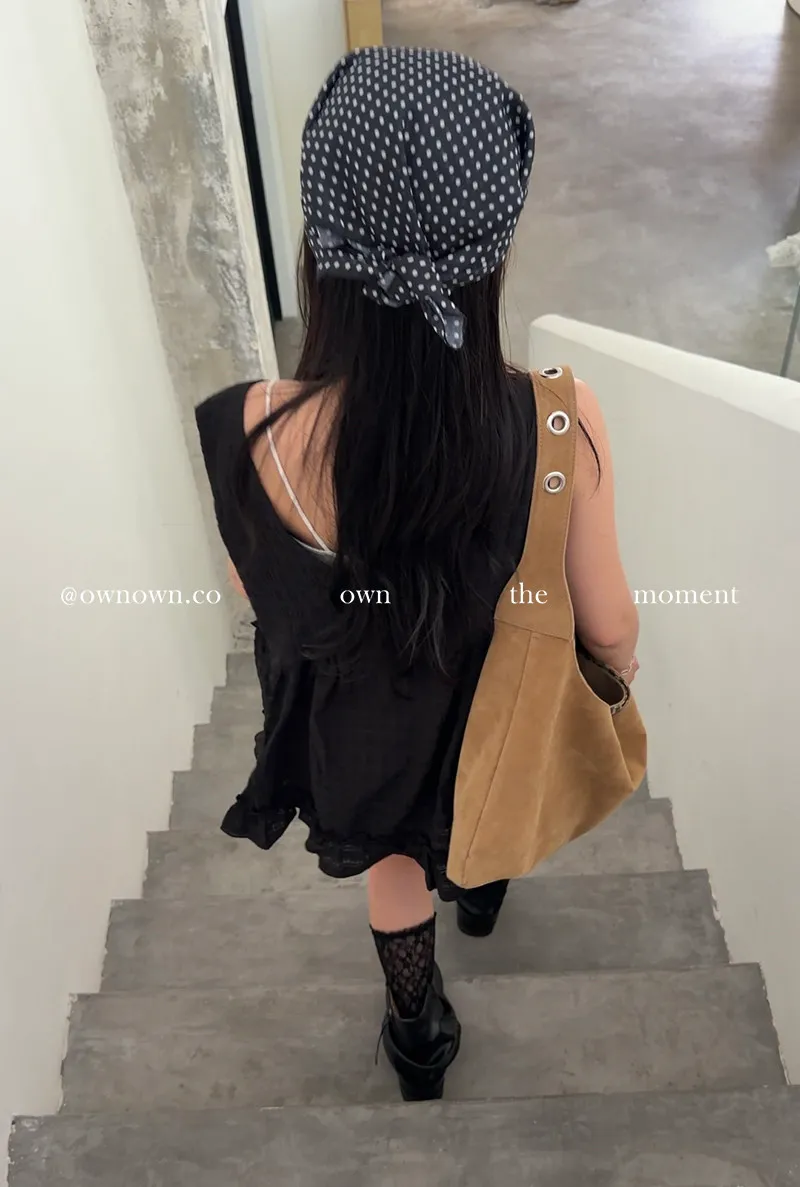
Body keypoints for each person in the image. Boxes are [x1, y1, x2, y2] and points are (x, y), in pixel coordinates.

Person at [195, 45, 639, 1102]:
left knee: (393, 867)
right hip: (493, 707)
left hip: (358, 734)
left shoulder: (243, 426)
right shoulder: (558, 419)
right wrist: (614, 671)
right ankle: (480, 889)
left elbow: (258, 588)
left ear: (319, 235)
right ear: (492, 243)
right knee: (489, 796)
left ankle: (416, 1032)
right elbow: (609, 621)